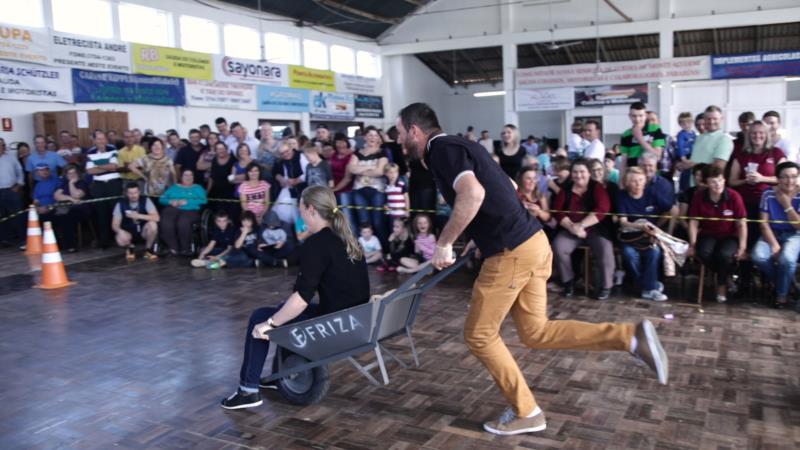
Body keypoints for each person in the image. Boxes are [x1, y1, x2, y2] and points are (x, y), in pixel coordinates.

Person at [396, 103, 667, 435]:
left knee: (479, 336)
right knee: (536, 332)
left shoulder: (440, 150)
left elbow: (473, 194)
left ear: (414, 130)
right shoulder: (463, 145)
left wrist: (445, 242)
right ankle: (630, 337)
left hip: (511, 253)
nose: (397, 141)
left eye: (399, 133)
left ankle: (526, 411)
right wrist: (481, 234)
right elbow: (507, 186)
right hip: (533, 243)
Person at [220, 186, 370, 409]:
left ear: (310, 209)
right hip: (354, 321)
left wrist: (269, 324)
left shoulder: (316, 244)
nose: (299, 212)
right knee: (283, 310)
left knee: (260, 317)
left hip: (334, 327)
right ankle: (279, 376)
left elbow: (301, 299)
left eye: (300, 207)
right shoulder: (348, 238)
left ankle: (248, 390)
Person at [552, 159, 616, 300]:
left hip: (594, 228)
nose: (578, 175)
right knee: (558, 246)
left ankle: (606, 286)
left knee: (605, 248)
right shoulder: (566, 189)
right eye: (575, 172)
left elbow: (602, 209)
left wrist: (581, 225)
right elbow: (557, 211)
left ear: (588, 173)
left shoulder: (597, 187)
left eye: (582, 172)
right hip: (570, 228)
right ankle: (568, 282)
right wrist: (572, 227)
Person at [687, 166, 747, 303]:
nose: (717, 185)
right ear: (707, 183)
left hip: (730, 235)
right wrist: (692, 243)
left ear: (724, 180)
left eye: (720, 180)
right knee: (703, 253)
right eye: (713, 182)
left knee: (725, 256)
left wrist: (742, 247)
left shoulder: (734, 196)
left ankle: (721, 286)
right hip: (708, 234)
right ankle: (724, 276)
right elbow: (694, 222)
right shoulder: (699, 197)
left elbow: (742, 224)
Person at [728, 120, 786, 248]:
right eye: (753, 133)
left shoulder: (776, 153)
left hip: (769, 203)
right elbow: (732, 181)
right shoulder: (741, 154)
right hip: (745, 203)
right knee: (747, 236)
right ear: (749, 135)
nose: (757, 136)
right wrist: (745, 180)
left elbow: (784, 179)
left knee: (766, 237)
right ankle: (745, 265)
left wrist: (762, 178)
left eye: (761, 133)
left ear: (767, 134)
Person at [751, 162, 800, 308]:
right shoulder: (768, 193)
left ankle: (781, 295)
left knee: (787, 259)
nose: (789, 181)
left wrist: (786, 204)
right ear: (778, 179)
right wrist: (773, 244)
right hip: (771, 233)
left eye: (793, 177)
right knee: (758, 256)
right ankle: (786, 284)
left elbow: (798, 225)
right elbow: (763, 223)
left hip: (794, 234)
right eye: (784, 177)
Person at [617, 167, 668, 301]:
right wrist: (640, 226)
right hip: (630, 236)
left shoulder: (651, 193)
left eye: (640, 180)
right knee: (629, 254)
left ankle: (647, 287)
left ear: (645, 181)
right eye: (634, 181)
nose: (638, 184)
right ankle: (651, 286)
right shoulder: (622, 197)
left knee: (655, 252)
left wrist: (657, 226)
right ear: (627, 183)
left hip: (649, 237)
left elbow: (671, 211)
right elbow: (623, 222)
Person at [348, 126, 389, 246]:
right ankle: (365, 250)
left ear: (378, 138)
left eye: (375, 135)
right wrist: (370, 167)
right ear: (365, 137)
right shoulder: (357, 152)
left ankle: (383, 250)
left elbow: (380, 172)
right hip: (359, 191)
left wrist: (360, 169)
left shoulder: (382, 152)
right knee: (364, 223)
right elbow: (351, 169)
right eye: (370, 135)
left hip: (377, 191)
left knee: (377, 222)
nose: (372, 138)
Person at [159, 170, 208, 256]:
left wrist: (187, 201)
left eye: (190, 175)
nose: (188, 177)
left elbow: (204, 200)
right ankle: (173, 247)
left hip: (190, 210)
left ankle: (185, 248)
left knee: (183, 221)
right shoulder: (174, 187)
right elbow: (162, 199)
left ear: (193, 177)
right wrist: (170, 202)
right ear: (181, 177)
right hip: (174, 208)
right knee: (166, 218)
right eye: (186, 175)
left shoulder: (198, 188)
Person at [85, 130, 120, 249]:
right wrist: (107, 167)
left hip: (114, 183)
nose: (101, 141)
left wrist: (97, 165)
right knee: (101, 213)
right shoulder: (90, 152)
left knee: (116, 211)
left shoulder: (112, 149)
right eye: (98, 139)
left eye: (103, 138)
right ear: (94, 140)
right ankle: (104, 241)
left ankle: (119, 238)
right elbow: (90, 171)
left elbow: (114, 166)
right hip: (99, 185)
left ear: (106, 139)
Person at [682, 106, 733, 181]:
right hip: (694, 184)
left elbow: (718, 168)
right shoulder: (699, 137)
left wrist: (693, 165)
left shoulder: (724, 140)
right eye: (708, 119)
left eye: (715, 119)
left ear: (721, 119)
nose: (711, 122)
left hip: (709, 186)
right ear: (704, 120)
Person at [112, 182, 159, 261]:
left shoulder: (146, 200)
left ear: (139, 192)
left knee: (153, 225)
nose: (133, 195)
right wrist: (120, 231)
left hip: (143, 231)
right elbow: (114, 224)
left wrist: (138, 216)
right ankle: (130, 248)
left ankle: (148, 250)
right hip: (129, 233)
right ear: (127, 193)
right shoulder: (120, 204)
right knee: (119, 238)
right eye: (130, 193)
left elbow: (157, 218)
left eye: (135, 192)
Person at [618, 102, 666, 180]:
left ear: (645, 116)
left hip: (651, 176)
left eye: (640, 116)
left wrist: (640, 138)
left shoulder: (655, 129)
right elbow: (624, 162)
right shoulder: (625, 135)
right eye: (634, 116)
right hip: (633, 177)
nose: (637, 119)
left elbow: (658, 155)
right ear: (629, 116)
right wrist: (621, 182)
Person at [52, 165, 92, 253]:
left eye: (74, 173)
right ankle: (57, 244)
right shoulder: (64, 184)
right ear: (66, 175)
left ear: (78, 173)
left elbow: (77, 195)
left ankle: (70, 246)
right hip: (66, 208)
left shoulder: (82, 183)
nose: (72, 175)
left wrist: (71, 184)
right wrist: (71, 199)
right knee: (52, 216)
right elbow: (57, 196)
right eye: (69, 174)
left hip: (81, 210)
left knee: (66, 217)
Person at [0, 137, 26, 248]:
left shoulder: (11, 158)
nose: (2, 147)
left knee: (18, 216)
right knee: (2, 217)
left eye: (3, 145)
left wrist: (19, 184)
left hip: (11, 190)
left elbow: (20, 171)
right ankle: (4, 240)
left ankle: (23, 241)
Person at [271, 143, 304, 225]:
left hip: (304, 191)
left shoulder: (301, 156)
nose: (285, 154)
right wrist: (285, 181)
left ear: (291, 149)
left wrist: (296, 180)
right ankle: (300, 235)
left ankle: (306, 235)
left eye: (287, 151)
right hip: (292, 191)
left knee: (304, 215)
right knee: (297, 217)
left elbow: (307, 172)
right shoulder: (283, 162)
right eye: (282, 153)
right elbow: (283, 175)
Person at [676, 163, 708, 239]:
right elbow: (681, 217)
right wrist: (691, 230)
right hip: (688, 227)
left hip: (707, 230)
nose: (699, 178)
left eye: (702, 175)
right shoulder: (687, 193)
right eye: (697, 175)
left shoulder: (712, 193)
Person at [206, 141, 237, 216]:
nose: (221, 151)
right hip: (216, 192)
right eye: (218, 149)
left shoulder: (233, 159)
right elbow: (212, 177)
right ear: (215, 151)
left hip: (230, 192)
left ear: (226, 149)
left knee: (231, 213)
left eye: (222, 148)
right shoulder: (214, 160)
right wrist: (207, 191)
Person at [675, 112, 697, 191]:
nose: (686, 125)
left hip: (693, 155)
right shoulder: (681, 134)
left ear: (692, 122)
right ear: (680, 124)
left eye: (688, 122)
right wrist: (683, 158)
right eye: (683, 123)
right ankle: (683, 188)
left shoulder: (694, 134)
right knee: (685, 173)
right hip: (685, 156)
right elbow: (680, 146)